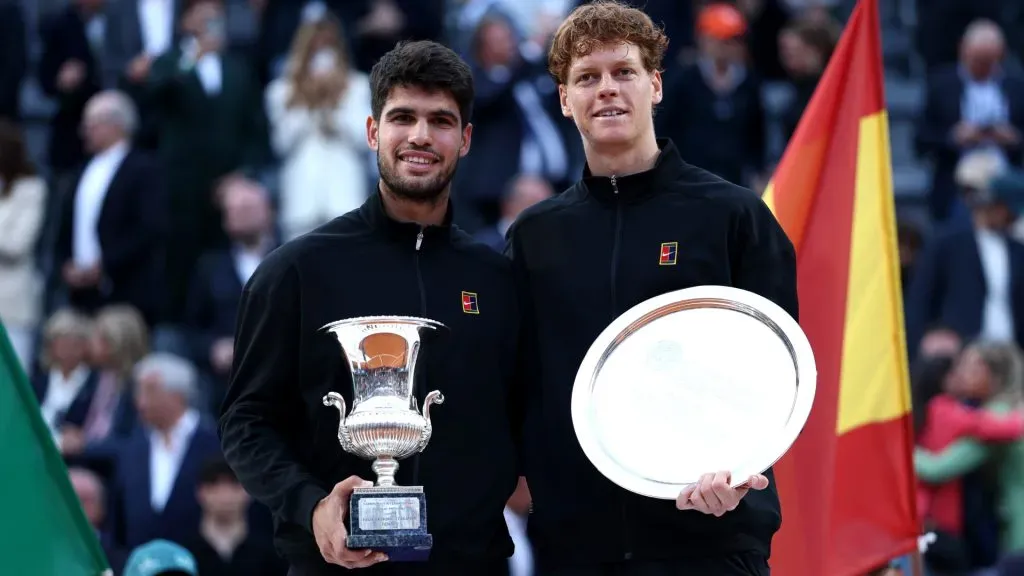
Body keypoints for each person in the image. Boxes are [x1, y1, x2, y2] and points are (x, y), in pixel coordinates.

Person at [505, 2, 798, 574]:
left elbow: (776, 375)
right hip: (576, 551)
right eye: (587, 77)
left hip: (712, 539)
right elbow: (518, 380)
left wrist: (739, 470)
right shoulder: (534, 235)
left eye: (624, 72)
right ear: (565, 100)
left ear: (656, 85)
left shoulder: (734, 216)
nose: (607, 89)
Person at [219, 40, 521, 576]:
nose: (421, 137)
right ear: (372, 131)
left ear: (467, 139)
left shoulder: (497, 279)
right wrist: (311, 506)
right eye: (402, 117)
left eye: (441, 121)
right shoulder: (295, 271)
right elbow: (246, 422)